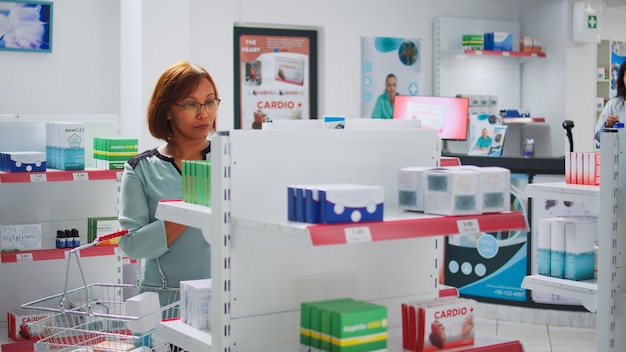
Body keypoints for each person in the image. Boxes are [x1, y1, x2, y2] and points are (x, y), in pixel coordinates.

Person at [118, 61, 217, 301]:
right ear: (167, 110)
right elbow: (132, 244)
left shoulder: (231, 160)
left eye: (210, 101)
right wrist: (192, 208)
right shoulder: (140, 169)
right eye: (191, 104)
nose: (204, 113)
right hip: (164, 301)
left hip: (222, 301)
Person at [595, 63, 626, 144]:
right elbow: (599, 137)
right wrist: (607, 126)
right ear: (622, 79)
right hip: (620, 155)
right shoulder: (614, 104)